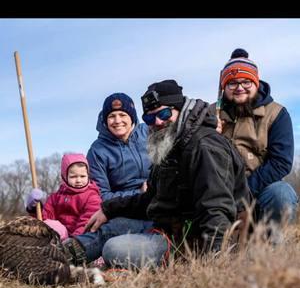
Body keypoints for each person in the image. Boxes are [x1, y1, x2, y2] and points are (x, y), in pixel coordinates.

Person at [64, 79, 250, 269]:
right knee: (114, 226)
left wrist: (217, 259)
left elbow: (217, 207)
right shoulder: (170, 142)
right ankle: (60, 255)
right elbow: (152, 199)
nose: (158, 122)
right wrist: (109, 209)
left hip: (194, 240)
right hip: (171, 227)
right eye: (150, 119)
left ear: (180, 109)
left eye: (164, 113)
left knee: (114, 249)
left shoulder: (204, 146)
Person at [210, 48, 298, 225]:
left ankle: (269, 248)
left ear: (256, 84)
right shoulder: (211, 113)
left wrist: (245, 190)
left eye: (246, 82)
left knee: (281, 194)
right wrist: (210, 134)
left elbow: (281, 163)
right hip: (218, 192)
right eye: (232, 83)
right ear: (224, 87)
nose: (239, 87)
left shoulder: (277, 114)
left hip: (260, 190)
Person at [87, 92, 151, 201]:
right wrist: (139, 193)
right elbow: (101, 195)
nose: (117, 121)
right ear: (105, 120)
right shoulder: (97, 151)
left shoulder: (148, 131)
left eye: (122, 115)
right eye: (112, 116)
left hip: (160, 196)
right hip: (123, 207)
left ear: (132, 117)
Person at [26, 153, 102, 241]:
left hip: (79, 240)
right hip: (58, 237)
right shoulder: (56, 197)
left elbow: (86, 222)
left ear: (88, 175)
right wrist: (34, 208)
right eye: (73, 177)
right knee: (49, 227)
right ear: (65, 177)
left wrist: (75, 241)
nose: (78, 180)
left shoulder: (92, 197)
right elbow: (45, 218)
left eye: (83, 176)